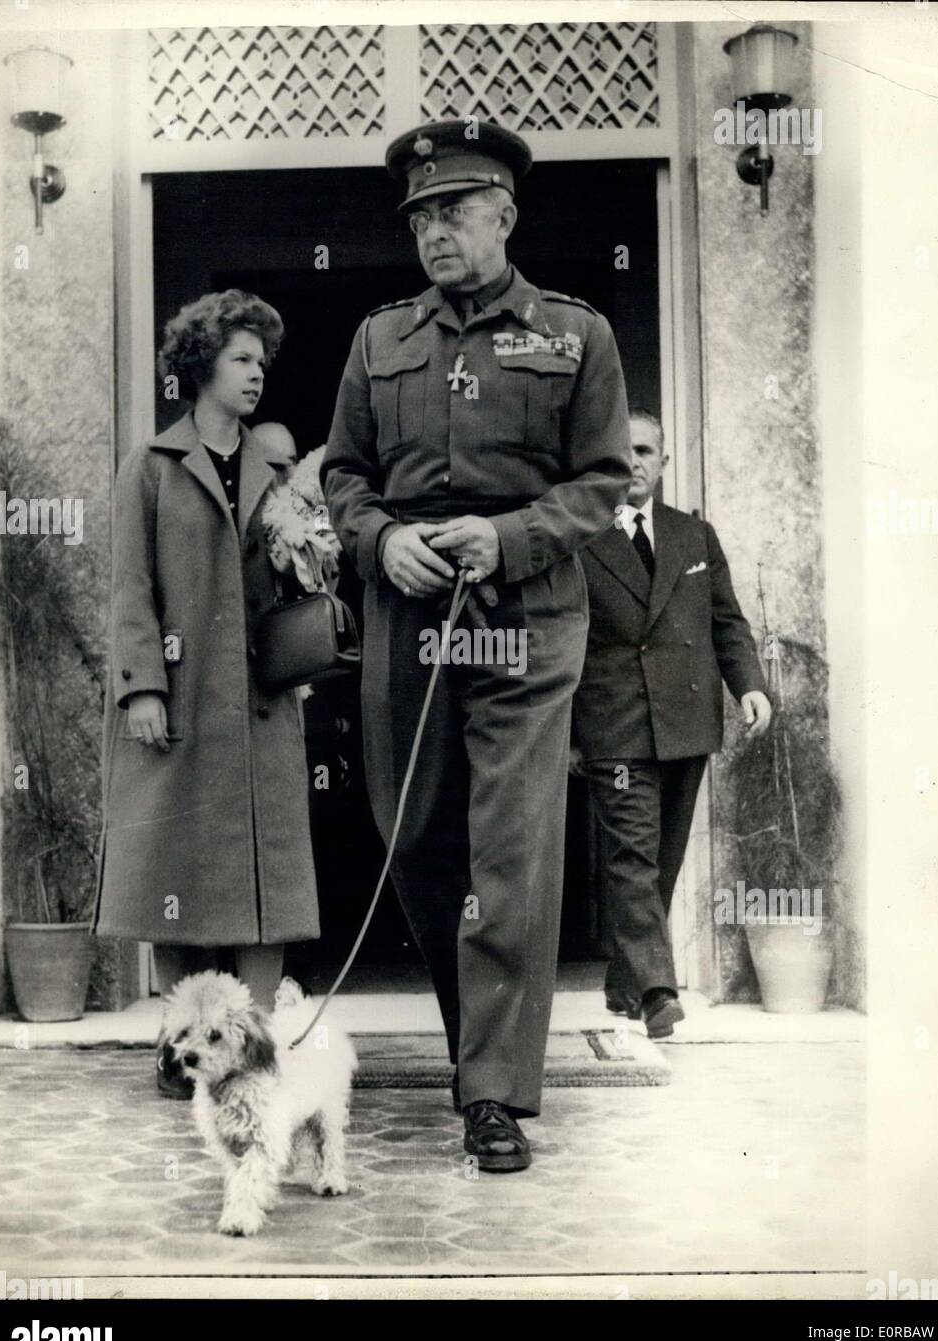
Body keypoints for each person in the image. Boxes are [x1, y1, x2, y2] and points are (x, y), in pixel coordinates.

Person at [321, 119, 632, 1171]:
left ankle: (491, 1089)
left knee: (509, 848)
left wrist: (504, 536)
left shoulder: (573, 335)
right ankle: (478, 1053)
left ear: (504, 215)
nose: (434, 232)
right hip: (410, 619)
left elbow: (601, 482)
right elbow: (344, 478)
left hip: (525, 618)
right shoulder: (378, 340)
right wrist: (384, 540)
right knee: (416, 839)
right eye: (419, 216)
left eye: (454, 211)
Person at [92, 290, 320, 1097]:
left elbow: (301, 585)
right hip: (180, 704)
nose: (257, 375)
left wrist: (307, 559)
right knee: (175, 871)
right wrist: (141, 689)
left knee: (269, 879)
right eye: (241, 360)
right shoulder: (150, 468)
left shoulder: (277, 471)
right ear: (201, 367)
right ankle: (179, 1043)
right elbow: (130, 590)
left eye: (262, 362)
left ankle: (252, 1049)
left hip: (262, 704)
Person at [572, 410, 772, 1036]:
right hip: (615, 724)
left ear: (663, 460)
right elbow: (563, 640)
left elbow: (727, 623)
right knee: (632, 857)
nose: (634, 461)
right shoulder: (577, 538)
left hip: (686, 721)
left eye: (646, 450)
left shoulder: (694, 536)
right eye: (622, 450)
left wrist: (751, 688)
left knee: (663, 857)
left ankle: (624, 981)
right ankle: (660, 991)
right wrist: (571, 731)